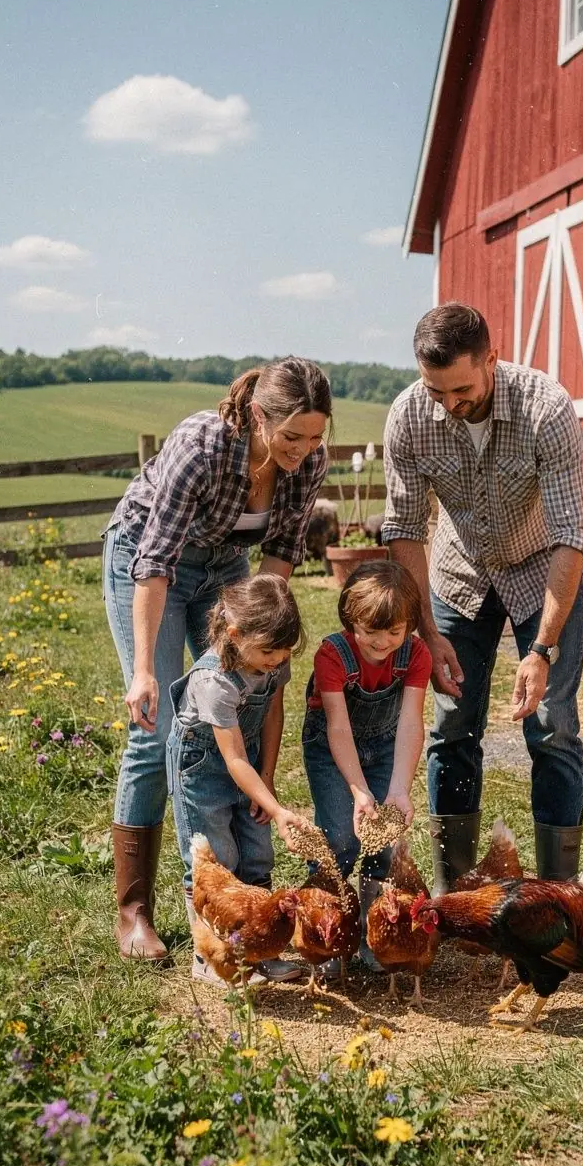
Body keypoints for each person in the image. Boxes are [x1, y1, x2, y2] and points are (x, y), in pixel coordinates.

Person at [103, 358, 331, 960]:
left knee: (237, 710)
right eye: (291, 437)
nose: (304, 451)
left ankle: (235, 896)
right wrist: (148, 670)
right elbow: (154, 560)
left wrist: (268, 653)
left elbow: (279, 561)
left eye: (315, 437)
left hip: (225, 567)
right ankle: (135, 913)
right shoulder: (201, 446)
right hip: (152, 561)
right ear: (259, 416)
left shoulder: (308, 463)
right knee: (154, 734)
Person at [381, 302, 583, 890]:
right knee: (452, 723)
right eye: (436, 390)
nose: (449, 404)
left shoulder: (544, 408)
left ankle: (557, 900)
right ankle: (456, 898)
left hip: (541, 564)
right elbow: (402, 526)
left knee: (551, 725)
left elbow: (574, 534)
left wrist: (542, 650)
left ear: (492, 360)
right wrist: (427, 631)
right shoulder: (408, 416)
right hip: (459, 571)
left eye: (462, 390)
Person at [167, 574, 310, 983]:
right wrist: (276, 808)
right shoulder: (214, 681)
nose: (277, 660)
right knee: (217, 863)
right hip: (203, 769)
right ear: (234, 634)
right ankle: (206, 956)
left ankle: (255, 949)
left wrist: (267, 779)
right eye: (269, 652)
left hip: (249, 764)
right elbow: (231, 758)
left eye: (284, 653)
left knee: (256, 852)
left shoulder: (274, 661)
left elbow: (273, 715)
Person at [302, 560, 432, 973]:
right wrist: (360, 791)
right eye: (371, 632)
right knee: (339, 836)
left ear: (410, 624)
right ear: (349, 619)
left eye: (394, 632)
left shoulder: (415, 654)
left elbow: (411, 722)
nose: (382, 643)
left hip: (386, 744)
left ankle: (373, 936)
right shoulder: (332, 655)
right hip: (332, 749)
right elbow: (338, 728)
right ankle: (327, 935)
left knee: (383, 842)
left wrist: (398, 790)